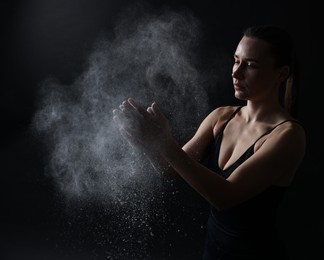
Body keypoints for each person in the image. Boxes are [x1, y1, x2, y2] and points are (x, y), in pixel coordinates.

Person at [112, 24, 306, 259]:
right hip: (213, 252)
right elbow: (172, 171)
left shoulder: (288, 136)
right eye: (236, 61)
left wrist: (163, 142)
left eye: (251, 65)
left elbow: (224, 196)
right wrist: (147, 144)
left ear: (281, 74)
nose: (236, 73)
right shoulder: (221, 117)